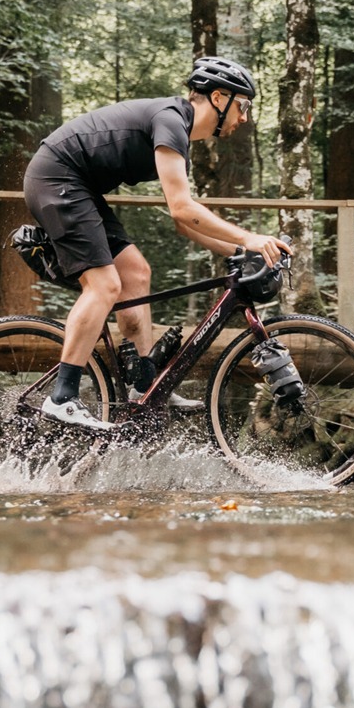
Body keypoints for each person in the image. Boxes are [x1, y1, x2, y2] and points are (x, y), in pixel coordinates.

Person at [24, 56, 291, 429]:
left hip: (78, 185)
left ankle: (143, 384)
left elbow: (185, 224)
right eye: (242, 105)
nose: (244, 117)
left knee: (135, 272)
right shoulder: (171, 119)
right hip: (56, 177)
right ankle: (62, 397)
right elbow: (183, 208)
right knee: (105, 284)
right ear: (218, 98)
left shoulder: (178, 133)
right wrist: (249, 237)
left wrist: (242, 250)